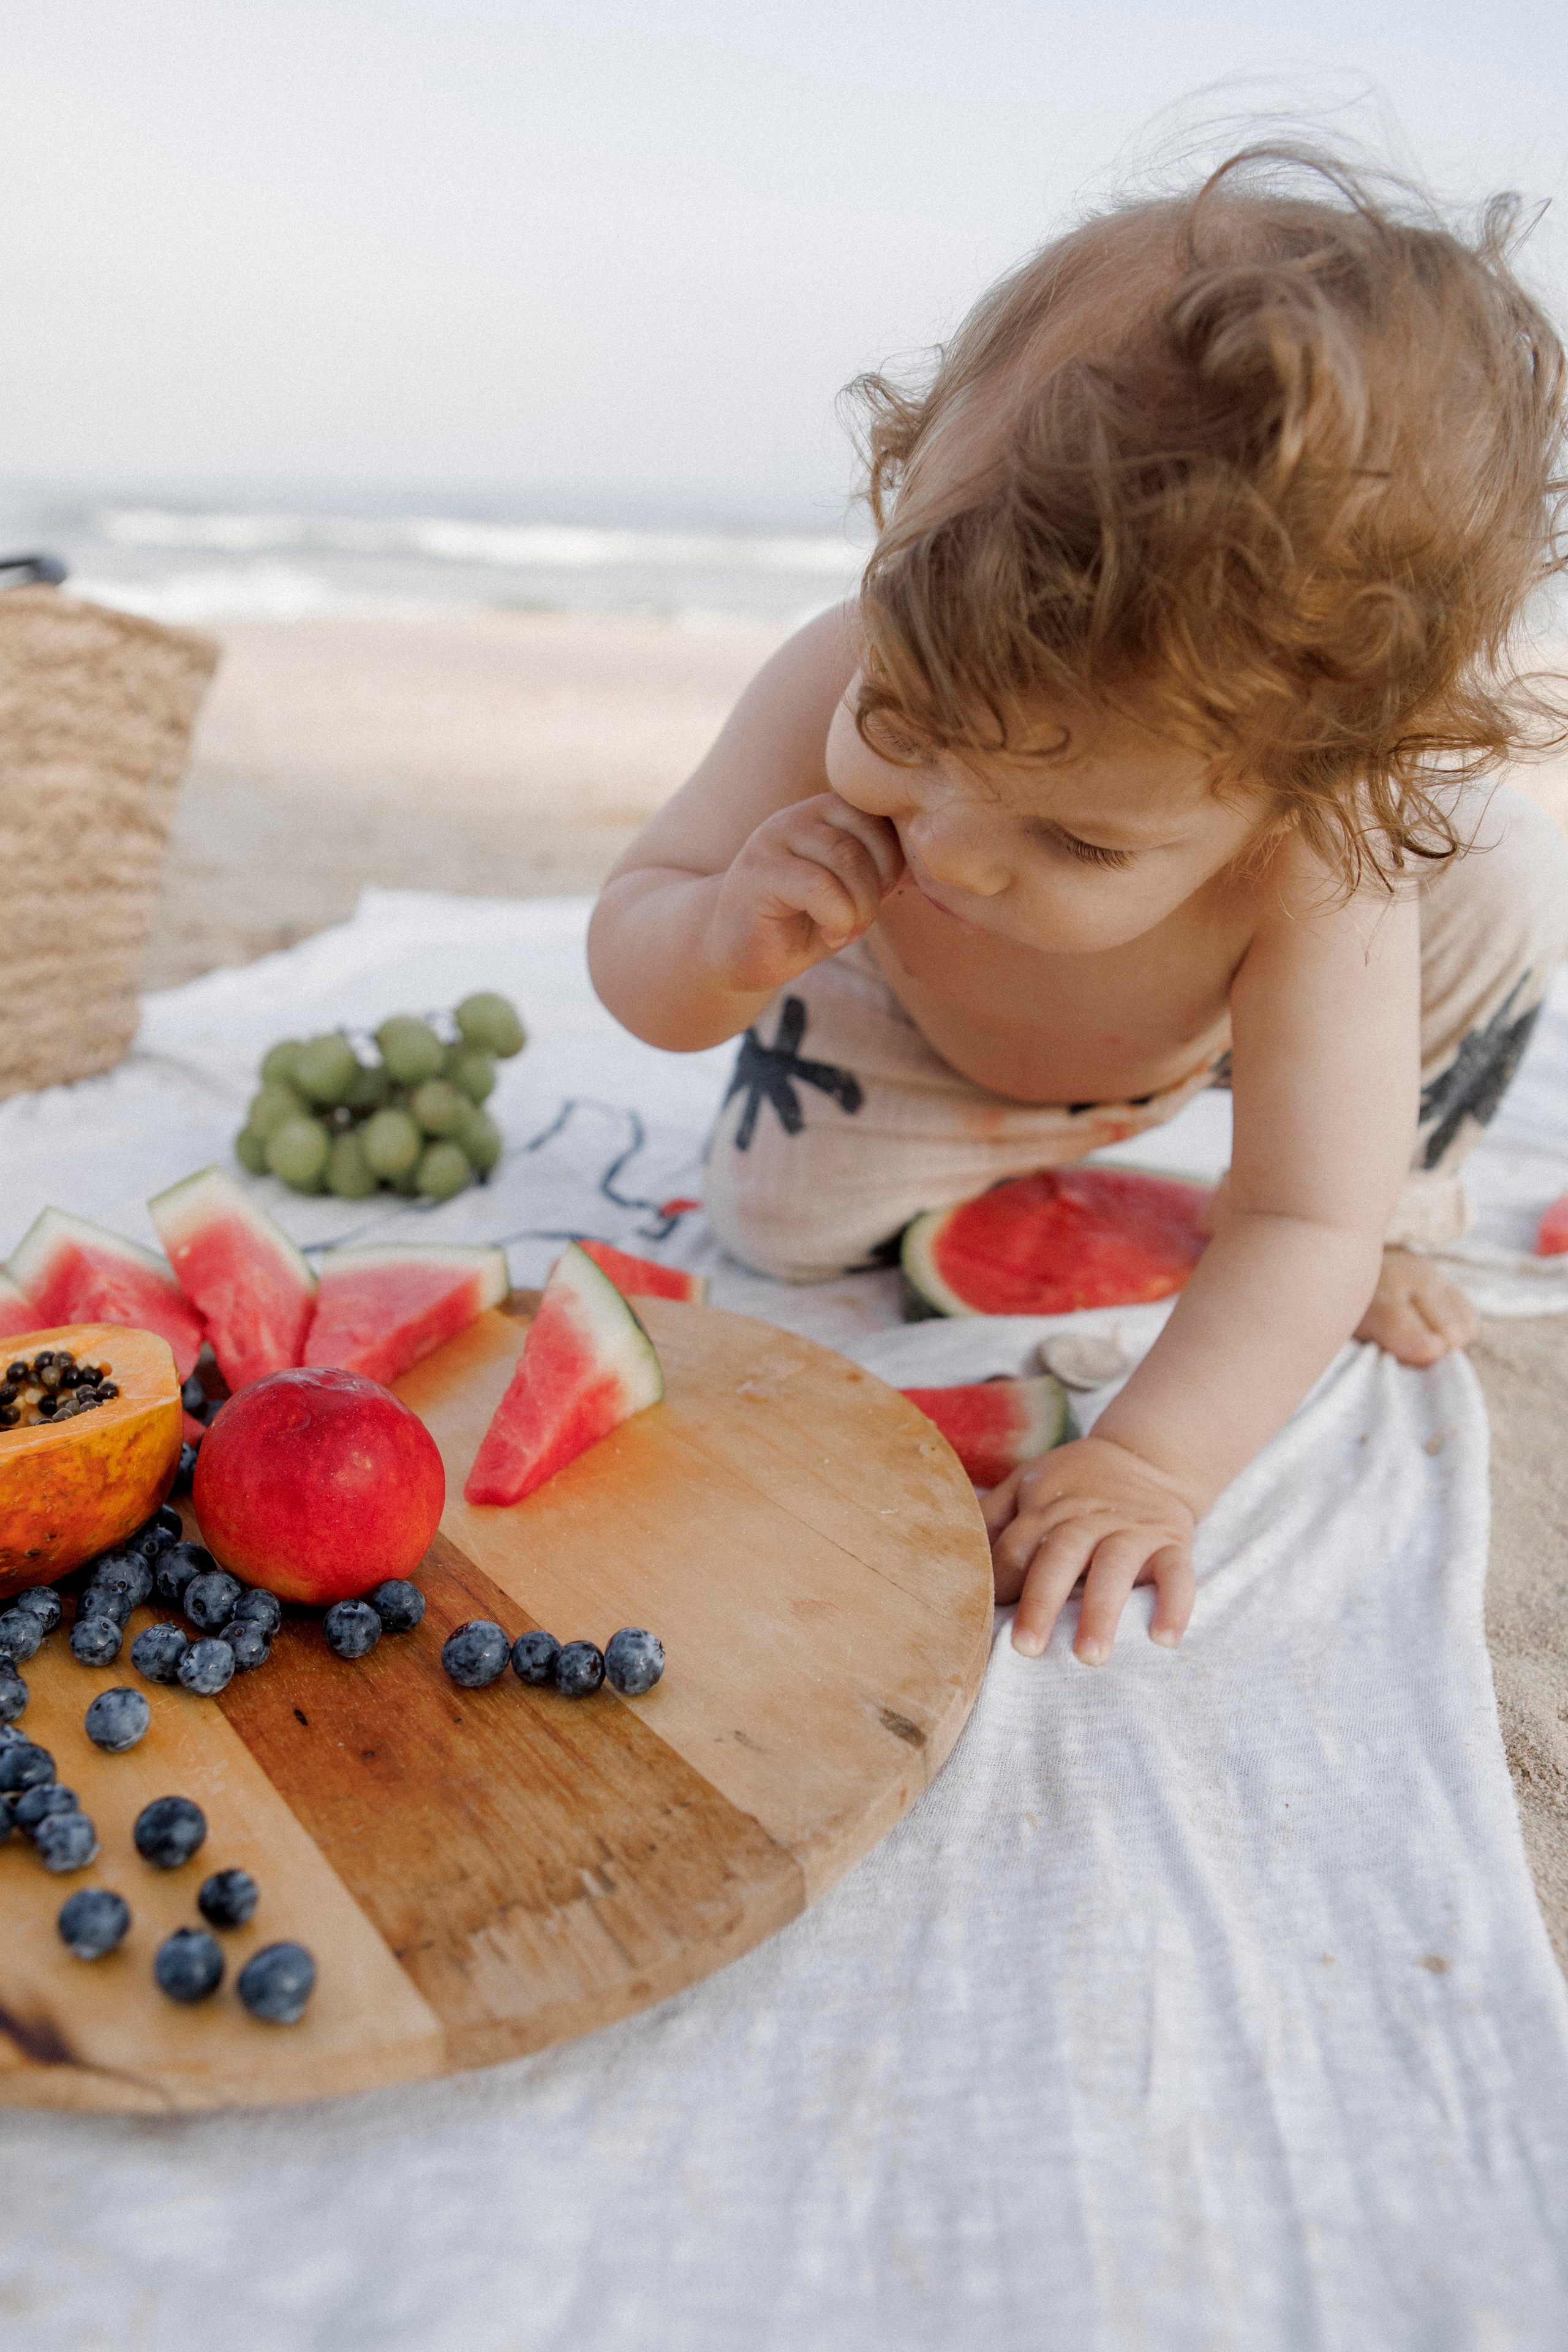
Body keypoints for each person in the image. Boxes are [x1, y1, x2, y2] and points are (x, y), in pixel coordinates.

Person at [588, 149, 1568, 1667]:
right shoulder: (834, 659)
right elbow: (637, 949)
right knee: (774, 1227)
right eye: (905, 726)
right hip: (906, 1025)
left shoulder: (1316, 845)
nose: (957, 857)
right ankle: (1057, 1158)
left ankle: (1408, 1193)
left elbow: (1302, 1209)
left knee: (1490, 882)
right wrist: (716, 939)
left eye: (1076, 836)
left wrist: (1152, 1461)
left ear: (1293, 781)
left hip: (1213, 1040)